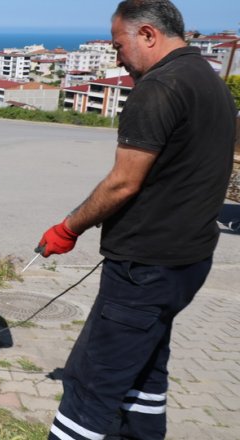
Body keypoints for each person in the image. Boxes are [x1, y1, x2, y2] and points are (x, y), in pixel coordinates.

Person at [37, 1, 237, 439]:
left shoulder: (159, 87)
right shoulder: (212, 82)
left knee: (91, 385)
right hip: (188, 262)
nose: (118, 57)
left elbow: (123, 183)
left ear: (148, 34)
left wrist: (68, 228)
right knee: (146, 373)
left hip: (144, 269)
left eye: (119, 46)